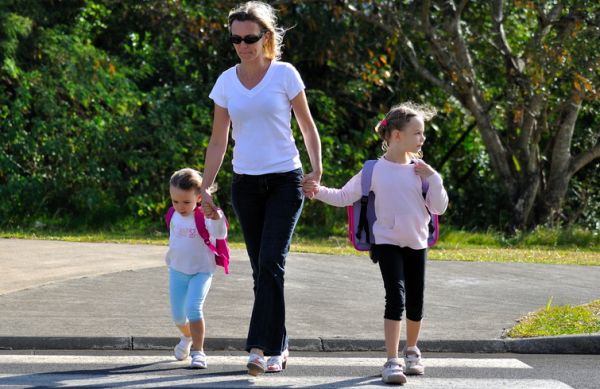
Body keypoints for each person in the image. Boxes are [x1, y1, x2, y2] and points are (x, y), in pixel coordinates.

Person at [200, 1, 322, 376]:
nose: (242, 45)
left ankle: (257, 348)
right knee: (263, 270)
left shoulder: (284, 74)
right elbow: (219, 140)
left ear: (265, 37)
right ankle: (279, 346)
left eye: (250, 37)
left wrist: (316, 171)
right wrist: (206, 187)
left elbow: (307, 126)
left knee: (272, 262)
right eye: (235, 38)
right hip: (245, 186)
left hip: (286, 180)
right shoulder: (225, 82)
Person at [303, 102, 448, 385]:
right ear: (396, 135)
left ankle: (412, 350)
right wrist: (317, 191)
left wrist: (435, 178)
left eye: (422, 133)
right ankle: (392, 360)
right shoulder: (373, 171)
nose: (422, 139)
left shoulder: (421, 171)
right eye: (417, 133)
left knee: (416, 299)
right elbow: (344, 196)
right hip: (386, 242)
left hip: (417, 242)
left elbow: (439, 207)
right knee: (396, 296)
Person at [165, 168, 228, 369]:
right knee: (177, 317)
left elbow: (220, 234)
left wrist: (217, 217)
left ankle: (198, 352)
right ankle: (186, 337)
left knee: (194, 308)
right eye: (175, 201)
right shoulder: (172, 215)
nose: (179, 206)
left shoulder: (206, 216)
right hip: (177, 271)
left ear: (199, 197)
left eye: (186, 202)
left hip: (202, 271)